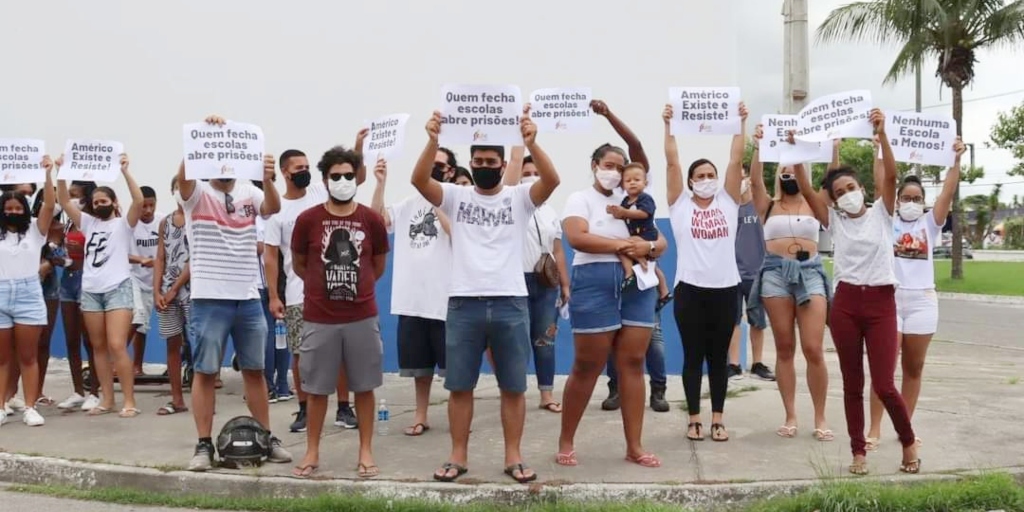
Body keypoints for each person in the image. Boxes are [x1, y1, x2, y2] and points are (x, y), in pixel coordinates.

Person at [412, 106, 559, 484]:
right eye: (477, 160)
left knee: (513, 386)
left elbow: (553, 180)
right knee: (461, 386)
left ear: (499, 162)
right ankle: (457, 456)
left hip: (511, 302)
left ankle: (514, 456)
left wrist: (532, 144)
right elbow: (418, 180)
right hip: (464, 303)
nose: (484, 166)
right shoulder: (456, 197)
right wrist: (432, 141)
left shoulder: (519, 198)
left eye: (491, 160)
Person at [790, 108, 920, 475]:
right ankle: (857, 452)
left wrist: (882, 134)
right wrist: (797, 152)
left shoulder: (882, 212)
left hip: (881, 304)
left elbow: (891, 175)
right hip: (846, 304)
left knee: (883, 384)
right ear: (832, 199)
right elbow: (803, 186)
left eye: (851, 188)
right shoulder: (834, 219)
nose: (847, 195)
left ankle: (908, 442)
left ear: (862, 189)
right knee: (852, 384)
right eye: (839, 192)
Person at [558, 100, 668, 469]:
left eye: (621, 169)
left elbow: (659, 243)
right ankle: (566, 441)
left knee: (633, 362)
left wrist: (650, 246)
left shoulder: (635, 201)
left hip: (639, 282)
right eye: (609, 166)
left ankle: (634, 446)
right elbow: (578, 238)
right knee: (587, 365)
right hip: (595, 279)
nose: (616, 173)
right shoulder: (580, 198)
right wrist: (624, 245)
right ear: (595, 166)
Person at [177, 114, 290, 472]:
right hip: (209, 299)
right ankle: (203, 445)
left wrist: (268, 179)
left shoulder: (249, 192)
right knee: (206, 372)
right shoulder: (196, 194)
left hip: (248, 296)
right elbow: (183, 179)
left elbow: (273, 208)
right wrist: (200, 139)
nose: (224, 165)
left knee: (255, 371)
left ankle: (267, 437)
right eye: (215, 157)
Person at [290, 146, 390, 478]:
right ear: (325, 179)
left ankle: (365, 451)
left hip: (362, 317)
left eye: (349, 175)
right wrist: (325, 290)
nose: (343, 181)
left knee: (364, 387)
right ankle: (312, 452)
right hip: (319, 318)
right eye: (336, 176)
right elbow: (301, 265)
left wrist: (355, 289)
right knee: (317, 390)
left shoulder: (371, 219)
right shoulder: (308, 220)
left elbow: (377, 266)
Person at [866, 138, 966, 450]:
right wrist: (879, 150)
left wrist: (956, 160)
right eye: (906, 197)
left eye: (917, 197)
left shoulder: (930, 223)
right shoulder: (887, 219)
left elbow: (948, 192)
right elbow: (881, 179)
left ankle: (904, 428)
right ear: (896, 200)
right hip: (890, 299)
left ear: (923, 201)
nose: (911, 201)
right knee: (884, 369)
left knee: (914, 368)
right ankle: (875, 429)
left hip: (923, 300)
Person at [665, 102, 748, 443]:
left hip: (726, 290)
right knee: (692, 356)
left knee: (718, 358)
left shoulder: (728, 202)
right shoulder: (679, 205)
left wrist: (740, 123)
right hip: (690, 290)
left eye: (710, 175)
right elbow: (672, 161)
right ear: (689, 182)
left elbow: (735, 161)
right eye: (699, 176)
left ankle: (717, 418)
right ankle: (694, 419)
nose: (706, 180)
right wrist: (668, 125)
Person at [747, 126, 831, 441]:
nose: (787, 173)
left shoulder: (813, 202)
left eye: (792, 168)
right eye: (782, 169)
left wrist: (832, 149)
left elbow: (829, 178)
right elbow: (755, 180)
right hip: (774, 274)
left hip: (809, 273)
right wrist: (757, 147)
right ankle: (790, 414)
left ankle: (820, 417)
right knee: (784, 347)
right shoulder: (767, 205)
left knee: (813, 348)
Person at [371, 155, 453, 436]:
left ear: (449, 171)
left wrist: (438, 200)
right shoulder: (407, 205)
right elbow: (376, 222)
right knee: (419, 369)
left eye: (439, 165)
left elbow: (455, 232)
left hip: (445, 301)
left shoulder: (457, 201)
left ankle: (458, 417)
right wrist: (380, 184)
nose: (433, 169)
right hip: (412, 300)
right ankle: (421, 415)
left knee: (454, 369)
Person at [58, 154, 145, 418]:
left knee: (117, 345)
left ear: (113, 202)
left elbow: (139, 201)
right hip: (91, 290)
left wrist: (125, 172)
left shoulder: (123, 224)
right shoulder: (88, 222)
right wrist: (61, 171)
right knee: (98, 347)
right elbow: (63, 200)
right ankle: (107, 399)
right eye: (96, 202)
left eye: (104, 201)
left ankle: (129, 400)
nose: (99, 205)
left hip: (118, 288)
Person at [499, 151, 571, 413]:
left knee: (545, 339)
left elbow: (558, 250)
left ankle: (546, 394)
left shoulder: (551, 210)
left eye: (536, 174)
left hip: (546, 282)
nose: (532, 178)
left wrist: (565, 285)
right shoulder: (510, 203)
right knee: (514, 342)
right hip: (516, 281)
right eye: (526, 173)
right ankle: (511, 392)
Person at [263, 150, 325, 418]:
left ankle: (344, 408)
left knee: (340, 354)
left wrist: (358, 146)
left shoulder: (319, 194)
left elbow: (354, 178)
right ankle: (303, 408)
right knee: (300, 354)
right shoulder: (277, 212)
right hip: (298, 293)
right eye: (299, 167)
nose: (305, 171)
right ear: (286, 172)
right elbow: (271, 257)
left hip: (331, 290)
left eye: (308, 166)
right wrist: (274, 296)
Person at [0, 156, 55, 427]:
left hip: (28, 294)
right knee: (2, 357)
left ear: (25, 209)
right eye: (7, 208)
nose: (12, 211)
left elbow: (50, 204)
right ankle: (0, 406)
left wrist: (48, 174)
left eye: (17, 207)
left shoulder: (35, 230)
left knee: (28, 356)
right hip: (0, 294)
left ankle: (30, 406)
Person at [725, 166, 774, 382]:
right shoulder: (728, 208)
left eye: (745, 175)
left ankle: (757, 363)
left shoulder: (762, 205)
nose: (742, 180)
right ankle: (734, 364)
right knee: (733, 320)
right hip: (733, 273)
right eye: (739, 176)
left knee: (757, 320)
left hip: (758, 273)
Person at [55, 181, 100, 411]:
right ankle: (77, 391)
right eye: (69, 195)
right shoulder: (68, 221)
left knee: (89, 340)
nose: (70, 198)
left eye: (75, 195)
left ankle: (95, 391)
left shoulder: (92, 221)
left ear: (85, 197)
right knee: (71, 339)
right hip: (68, 281)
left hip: (87, 280)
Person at [153, 176, 191, 416]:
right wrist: (157, 290)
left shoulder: (199, 220)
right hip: (167, 292)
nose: (180, 192)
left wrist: (175, 287)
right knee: (172, 344)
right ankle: (176, 398)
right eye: (176, 188)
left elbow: (195, 259)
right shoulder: (165, 223)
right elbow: (160, 258)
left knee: (198, 344)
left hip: (192, 290)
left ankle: (204, 398)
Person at [607, 163, 671, 303]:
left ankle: (630, 273)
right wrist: (614, 211)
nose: (632, 183)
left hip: (647, 234)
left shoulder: (645, 198)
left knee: (625, 244)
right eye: (628, 181)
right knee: (625, 251)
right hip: (637, 236)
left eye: (636, 180)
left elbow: (644, 214)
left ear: (645, 183)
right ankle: (664, 291)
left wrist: (625, 212)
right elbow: (622, 215)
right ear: (623, 185)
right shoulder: (625, 201)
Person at [129, 186, 161, 376]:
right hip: (135, 278)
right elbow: (119, 253)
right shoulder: (129, 223)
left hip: (159, 279)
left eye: (152, 206)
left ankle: (137, 365)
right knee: (138, 318)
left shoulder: (163, 221)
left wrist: (159, 264)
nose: (148, 210)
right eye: (144, 206)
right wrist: (141, 260)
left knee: (145, 326)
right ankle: (125, 363)